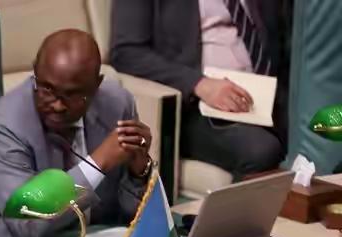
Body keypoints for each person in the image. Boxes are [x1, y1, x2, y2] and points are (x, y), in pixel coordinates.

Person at [0, 30, 152, 237]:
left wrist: (139, 172)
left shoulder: (116, 105)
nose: (57, 105)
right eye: (47, 89)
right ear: (35, 72)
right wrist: (97, 164)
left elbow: (131, 216)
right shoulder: (2, 125)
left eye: (72, 95)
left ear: (96, 86)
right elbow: (29, 223)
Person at [109, 0, 290, 180]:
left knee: (305, 134)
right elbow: (126, 53)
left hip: (264, 92)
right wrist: (198, 83)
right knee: (262, 150)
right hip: (193, 104)